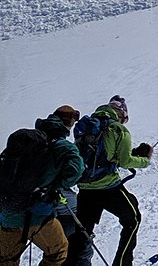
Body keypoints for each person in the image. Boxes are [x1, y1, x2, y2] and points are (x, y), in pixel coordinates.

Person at [67, 98, 150, 266]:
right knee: (132, 220)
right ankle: (122, 264)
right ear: (122, 115)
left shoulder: (86, 126)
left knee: (82, 231)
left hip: (85, 188)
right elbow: (125, 161)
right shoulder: (118, 129)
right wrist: (144, 160)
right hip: (108, 187)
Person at [0, 105, 85, 266]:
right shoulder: (63, 146)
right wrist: (55, 185)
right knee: (58, 251)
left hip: (8, 213)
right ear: (69, 123)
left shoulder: (26, 141)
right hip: (38, 214)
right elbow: (75, 172)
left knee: (6, 260)